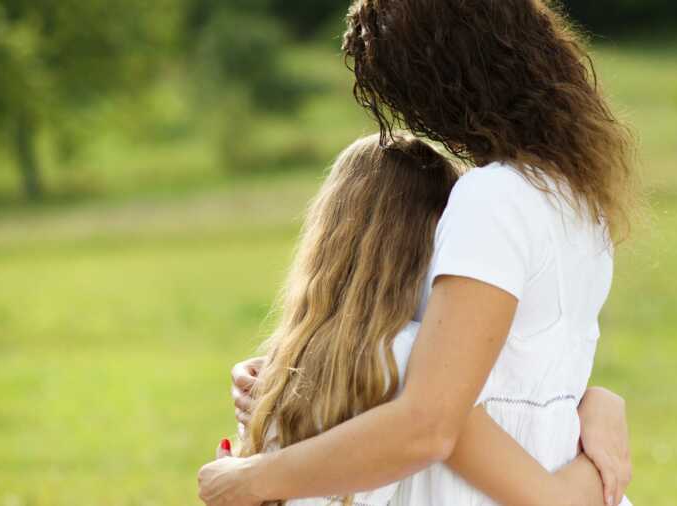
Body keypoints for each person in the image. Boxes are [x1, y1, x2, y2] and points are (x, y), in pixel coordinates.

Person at [200, 0, 638, 504]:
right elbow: (514, 371)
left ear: (445, 81)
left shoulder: (494, 198)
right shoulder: (576, 201)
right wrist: (596, 403)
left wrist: (251, 477)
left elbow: (429, 423)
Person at [217, 132, 623, 506]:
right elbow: (554, 500)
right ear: (424, 249)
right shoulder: (409, 361)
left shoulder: (289, 368)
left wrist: (595, 400)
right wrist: (603, 455)